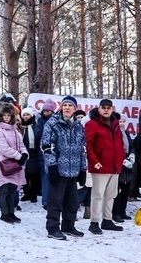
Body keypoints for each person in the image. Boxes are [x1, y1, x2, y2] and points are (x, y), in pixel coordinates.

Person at [41, 95, 88, 240]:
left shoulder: (78, 126)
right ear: (61, 107)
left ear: (75, 108)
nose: (67, 108)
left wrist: (83, 169)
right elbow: (46, 147)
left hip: (73, 170)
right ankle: (53, 228)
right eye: (65, 105)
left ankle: (68, 226)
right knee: (55, 201)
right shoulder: (53, 123)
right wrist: (52, 165)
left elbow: (82, 149)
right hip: (58, 170)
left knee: (72, 202)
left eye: (70, 105)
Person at [84, 99, 125, 234]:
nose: (106, 110)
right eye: (103, 107)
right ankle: (94, 222)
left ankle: (107, 220)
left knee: (111, 195)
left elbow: (120, 143)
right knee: (98, 195)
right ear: (99, 109)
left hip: (114, 165)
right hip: (100, 165)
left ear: (112, 109)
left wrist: (121, 159)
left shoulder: (115, 124)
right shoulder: (92, 124)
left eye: (108, 107)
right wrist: (94, 161)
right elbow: (88, 145)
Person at [0, 103, 28, 223]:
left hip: (16, 164)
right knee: (4, 189)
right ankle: (4, 213)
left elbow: (21, 145)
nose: (6, 117)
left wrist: (24, 154)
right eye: (4, 115)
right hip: (4, 164)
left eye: (9, 115)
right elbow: (4, 148)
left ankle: (11, 212)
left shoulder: (15, 131)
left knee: (13, 189)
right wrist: (19, 156)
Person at [112, 114, 135, 223]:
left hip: (128, 165)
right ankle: (115, 212)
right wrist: (121, 159)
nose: (121, 124)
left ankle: (122, 211)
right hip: (118, 164)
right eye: (119, 121)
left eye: (123, 122)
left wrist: (132, 155)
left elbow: (131, 146)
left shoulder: (126, 133)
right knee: (116, 190)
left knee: (126, 188)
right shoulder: (114, 133)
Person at [35, 99, 56, 208]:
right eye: (45, 111)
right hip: (43, 153)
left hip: (55, 153)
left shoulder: (57, 121)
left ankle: (53, 199)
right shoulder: (40, 122)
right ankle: (46, 201)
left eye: (49, 111)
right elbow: (37, 135)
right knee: (45, 178)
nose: (46, 113)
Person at [20, 107, 41, 203]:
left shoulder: (36, 127)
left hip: (33, 155)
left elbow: (38, 139)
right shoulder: (20, 127)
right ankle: (26, 193)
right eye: (24, 115)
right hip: (23, 154)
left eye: (27, 115)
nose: (26, 117)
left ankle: (33, 194)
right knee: (24, 175)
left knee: (33, 176)